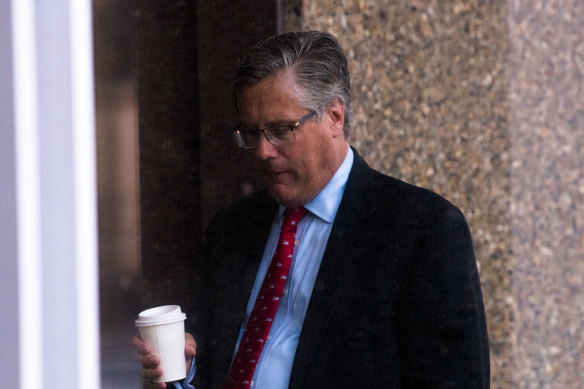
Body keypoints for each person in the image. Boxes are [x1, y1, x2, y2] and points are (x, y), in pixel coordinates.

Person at [135, 30, 490, 388]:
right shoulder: (233, 229)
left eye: (280, 130)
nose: (263, 151)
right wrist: (183, 371)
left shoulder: (421, 230)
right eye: (252, 133)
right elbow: (210, 359)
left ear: (335, 117)